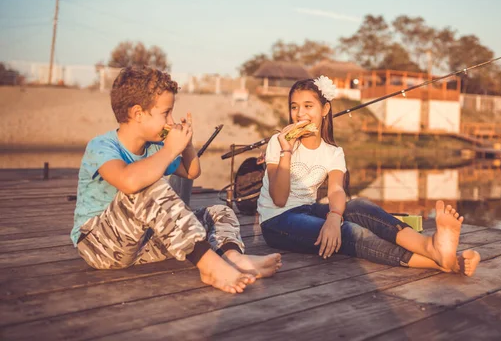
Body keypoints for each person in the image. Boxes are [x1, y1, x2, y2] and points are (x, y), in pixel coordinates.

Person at [70, 66, 281, 294]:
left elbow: (191, 172)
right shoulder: (102, 146)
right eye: (166, 113)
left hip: (144, 245)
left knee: (219, 212)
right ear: (138, 114)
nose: (171, 121)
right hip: (100, 246)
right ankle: (209, 266)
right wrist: (170, 149)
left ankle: (232, 257)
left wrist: (186, 145)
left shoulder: (155, 148)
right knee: (146, 186)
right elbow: (128, 181)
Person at [257, 76, 480, 276]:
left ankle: (432, 248)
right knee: (351, 232)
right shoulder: (279, 142)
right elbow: (278, 199)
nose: (300, 114)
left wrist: (334, 216)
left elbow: (336, 189)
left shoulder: (333, 152)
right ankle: (441, 261)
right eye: (294, 107)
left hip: (307, 210)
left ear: (325, 110)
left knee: (359, 206)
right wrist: (287, 150)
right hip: (277, 222)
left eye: (308, 106)